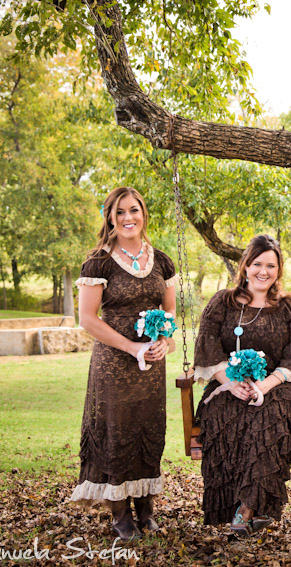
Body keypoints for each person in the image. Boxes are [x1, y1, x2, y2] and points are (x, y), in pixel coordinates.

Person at [71, 186, 178, 541]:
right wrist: (131, 347)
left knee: (148, 428)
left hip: (152, 366)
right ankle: (120, 513)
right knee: (116, 431)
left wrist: (163, 341)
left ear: (143, 213)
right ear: (110, 217)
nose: (128, 218)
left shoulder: (161, 260)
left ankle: (146, 509)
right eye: (120, 212)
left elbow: (170, 311)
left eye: (134, 210)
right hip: (114, 365)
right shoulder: (98, 262)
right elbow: (87, 319)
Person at [193, 234, 291, 537]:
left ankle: (246, 508)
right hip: (231, 382)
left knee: (269, 416)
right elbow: (207, 346)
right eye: (257, 263)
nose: (263, 271)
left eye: (271, 266)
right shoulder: (223, 302)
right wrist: (231, 383)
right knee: (224, 412)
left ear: (279, 270)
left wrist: (264, 386)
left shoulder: (288, 306)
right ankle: (245, 504)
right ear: (246, 265)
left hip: (281, 384)